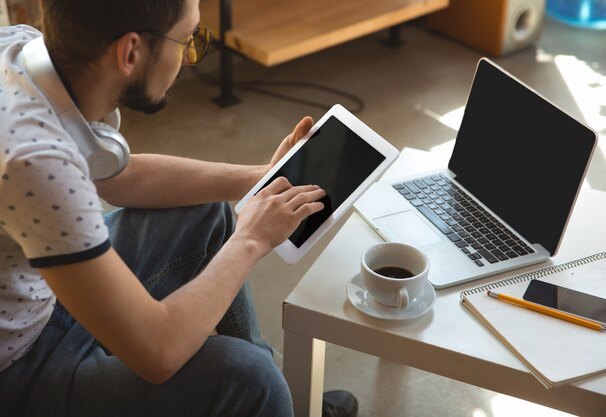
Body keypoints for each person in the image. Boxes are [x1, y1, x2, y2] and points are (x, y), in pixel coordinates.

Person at [0, 0, 358, 416]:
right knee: (251, 380)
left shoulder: (23, 50)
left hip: (35, 294)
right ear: (130, 53)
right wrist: (250, 239)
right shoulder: (37, 163)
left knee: (204, 215)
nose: (190, 57)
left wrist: (262, 176)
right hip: (20, 366)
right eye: (188, 40)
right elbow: (158, 352)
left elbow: (121, 177)